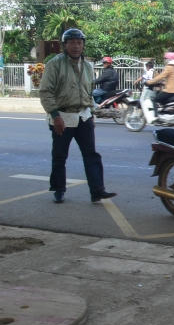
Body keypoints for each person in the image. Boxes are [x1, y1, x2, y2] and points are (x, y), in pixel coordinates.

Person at [38, 28, 117, 204]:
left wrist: (94, 112)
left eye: (79, 43)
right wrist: (55, 116)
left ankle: (97, 191)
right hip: (62, 117)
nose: (76, 46)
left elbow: (88, 93)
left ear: (83, 45)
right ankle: (58, 189)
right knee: (60, 156)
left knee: (91, 155)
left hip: (83, 116)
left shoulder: (88, 66)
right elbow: (45, 92)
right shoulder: (55, 64)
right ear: (65, 45)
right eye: (72, 43)